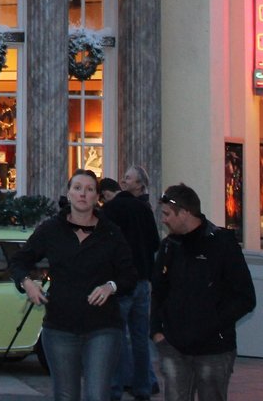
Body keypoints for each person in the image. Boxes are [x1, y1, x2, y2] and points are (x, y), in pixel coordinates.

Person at [10, 169, 137, 401]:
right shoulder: (50, 230)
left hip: (102, 326)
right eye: (77, 188)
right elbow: (19, 261)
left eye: (89, 189)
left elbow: (129, 275)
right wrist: (27, 283)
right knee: (66, 395)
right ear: (68, 194)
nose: (83, 194)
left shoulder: (110, 232)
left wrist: (110, 286)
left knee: (97, 395)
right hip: (60, 327)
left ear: (97, 197)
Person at [151, 184, 256, 401]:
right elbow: (158, 292)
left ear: (185, 213)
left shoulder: (221, 244)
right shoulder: (169, 246)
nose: (164, 220)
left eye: (167, 214)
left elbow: (246, 298)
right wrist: (157, 332)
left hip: (214, 349)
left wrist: (213, 325)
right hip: (173, 346)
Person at [102, 171, 162, 401]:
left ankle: (115, 387)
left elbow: (106, 246)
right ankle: (143, 386)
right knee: (140, 337)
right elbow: (155, 242)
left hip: (121, 282)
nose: (124, 179)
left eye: (128, 177)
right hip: (143, 281)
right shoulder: (143, 209)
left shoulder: (111, 210)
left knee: (117, 335)